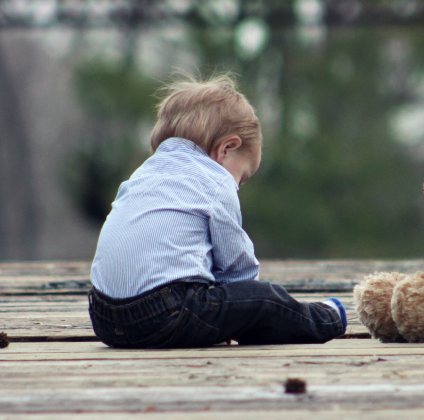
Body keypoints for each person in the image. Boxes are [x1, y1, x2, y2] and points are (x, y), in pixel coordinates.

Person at [87, 73, 347, 349]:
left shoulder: (142, 174)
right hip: (166, 314)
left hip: (104, 318)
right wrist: (244, 308)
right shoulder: (215, 180)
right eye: (242, 178)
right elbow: (237, 268)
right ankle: (327, 318)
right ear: (227, 148)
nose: (237, 186)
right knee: (266, 300)